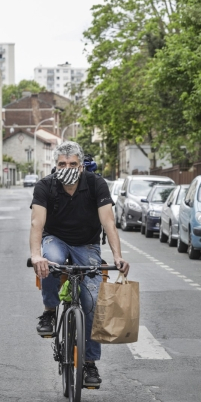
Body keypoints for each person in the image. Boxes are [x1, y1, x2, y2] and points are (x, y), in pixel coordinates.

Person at [30, 141, 130, 388]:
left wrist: (117, 256)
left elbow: (108, 222)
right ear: (56, 165)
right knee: (50, 262)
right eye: (62, 164)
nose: (67, 167)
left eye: (73, 163)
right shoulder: (45, 186)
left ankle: (89, 364)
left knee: (92, 302)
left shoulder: (96, 184)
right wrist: (36, 255)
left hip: (88, 245)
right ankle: (50, 312)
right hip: (56, 239)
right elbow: (36, 223)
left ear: (81, 165)